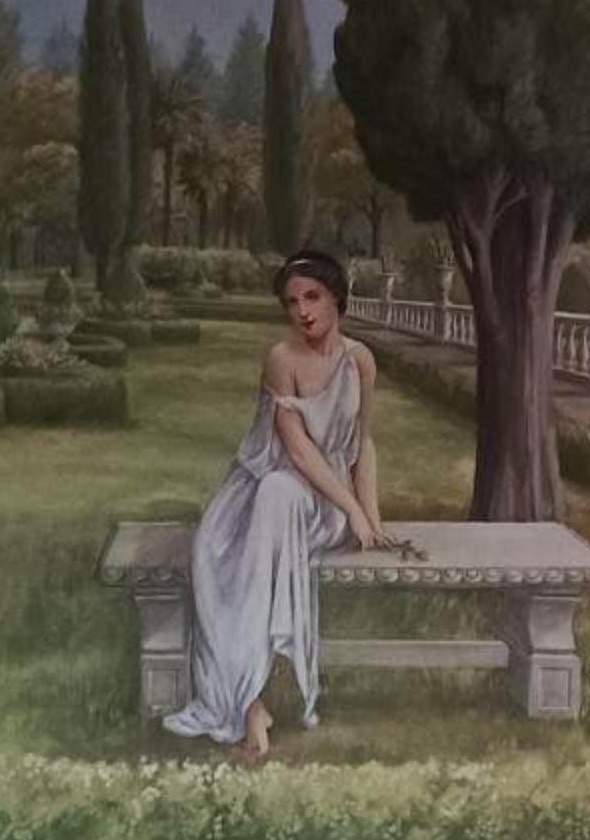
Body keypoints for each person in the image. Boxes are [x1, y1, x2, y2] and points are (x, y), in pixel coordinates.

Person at [163, 248, 411, 765]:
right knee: (226, 540)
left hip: (324, 504)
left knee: (277, 502)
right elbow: (295, 449)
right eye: (292, 302)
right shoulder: (281, 358)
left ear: (336, 296)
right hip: (269, 488)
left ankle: (251, 699)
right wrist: (354, 508)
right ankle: (248, 703)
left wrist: (369, 515)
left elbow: (363, 443)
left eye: (313, 297)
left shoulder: (360, 360)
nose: (303, 311)